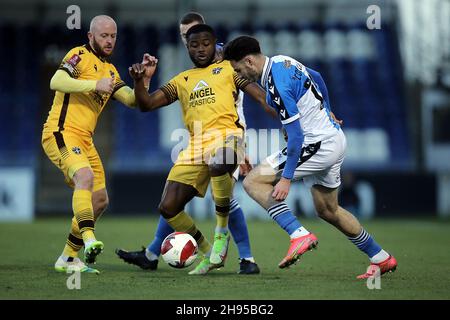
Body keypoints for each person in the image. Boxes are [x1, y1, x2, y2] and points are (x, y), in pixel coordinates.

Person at [223, 36, 397, 279]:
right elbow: (317, 76)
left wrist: (285, 178)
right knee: (328, 210)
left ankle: (298, 234)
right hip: (333, 139)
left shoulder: (276, 84)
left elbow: (295, 138)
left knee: (253, 181)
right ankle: (381, 257)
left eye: (239, 69)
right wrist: (326, 108)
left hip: (316, 145)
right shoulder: (282, 61)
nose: (240, 75)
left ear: (249, 62)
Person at [116, 13, 262, 275]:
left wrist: (290, 118)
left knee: (226, 192)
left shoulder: (230, 64)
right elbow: (146, 104)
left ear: (211, 39)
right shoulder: (184, 78)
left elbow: (259, 93)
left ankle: (238, 252)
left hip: (231, 135)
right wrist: (141, 81)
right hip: (196, 141)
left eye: (200, 39)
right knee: (171, 205)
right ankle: (198, 252)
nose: (196, 45)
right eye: (188, 39)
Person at [42, 15, 151, 273]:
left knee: (100, 200)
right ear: (91, 36)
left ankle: (68, 258)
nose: (109, 40)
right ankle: (89, 239)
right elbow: (55, 81)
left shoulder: (111, 72)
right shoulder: (78, 55)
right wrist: (94, 84)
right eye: (104, 35)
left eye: (113, 35)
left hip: (85, 140)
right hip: (61, 132)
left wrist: (142, 80)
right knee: (84, 176)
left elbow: (134, 101)